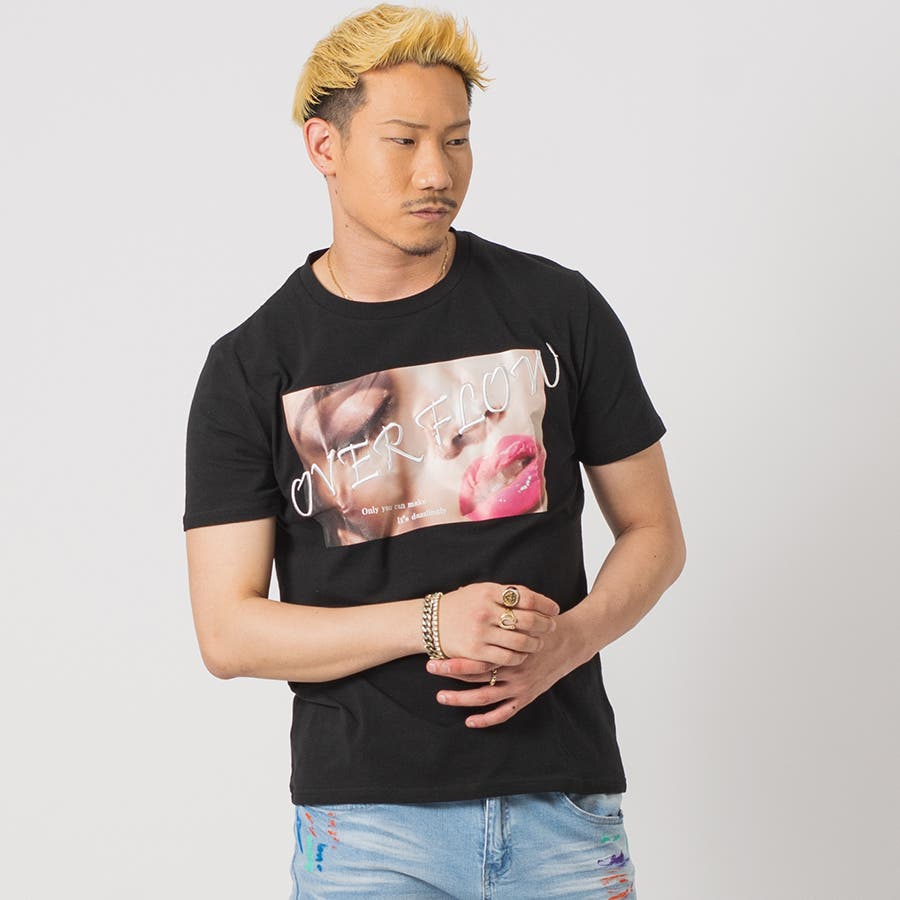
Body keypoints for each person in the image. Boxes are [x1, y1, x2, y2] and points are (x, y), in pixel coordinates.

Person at [182, 4, 686, 897]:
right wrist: (429, 621)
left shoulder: (558, 309)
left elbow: (655, 533)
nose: (437, 172)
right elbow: (227, 631)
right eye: (403, 140)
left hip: (564, 809)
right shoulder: (253, 367)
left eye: (457, 141)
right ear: (324, 147)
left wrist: (569, 641)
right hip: (367, 830)